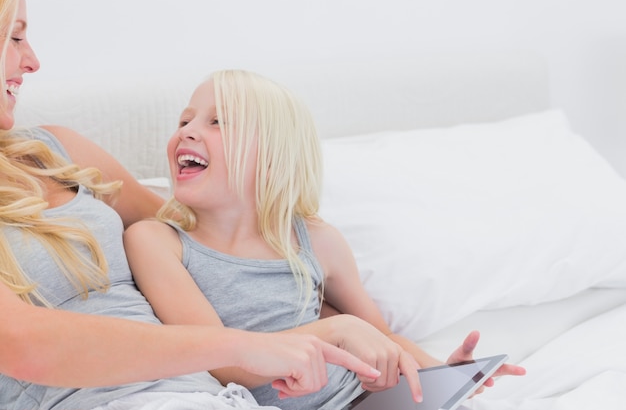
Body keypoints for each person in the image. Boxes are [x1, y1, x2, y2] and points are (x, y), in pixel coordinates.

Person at [0, 0, 384, 409]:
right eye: (14, 37)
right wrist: (239, 348)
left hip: (214, 396)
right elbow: (23, 344)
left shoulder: (54, 150)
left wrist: (350, 335)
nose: (32, 60)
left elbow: (211, 251)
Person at [124, 70, 526, 410]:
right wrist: (333, 330)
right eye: (184, 122)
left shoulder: (315, 241)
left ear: (271, 155)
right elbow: (217, 358)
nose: (187, 132)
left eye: (217, 122)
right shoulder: (157, 242)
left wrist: (446, 375)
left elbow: (380, 341)